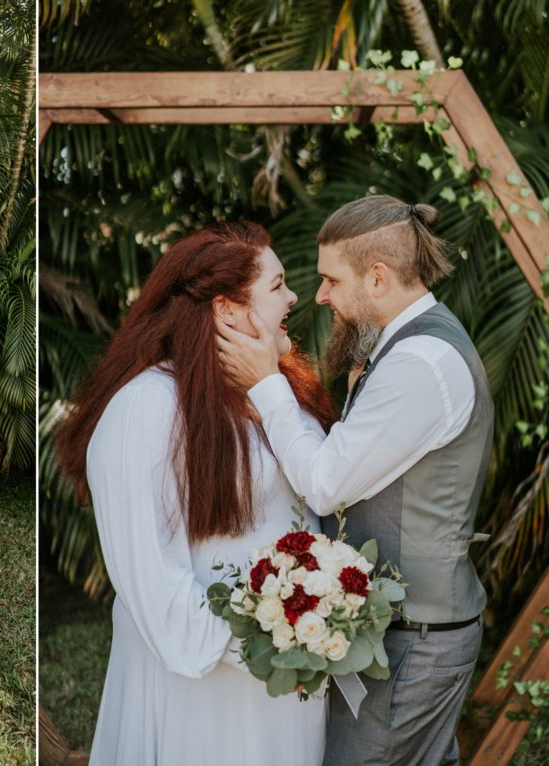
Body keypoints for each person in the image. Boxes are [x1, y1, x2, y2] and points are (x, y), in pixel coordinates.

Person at [217, 195, 493, 766]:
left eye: (329, 281)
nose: (318, 297)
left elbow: (324, 482)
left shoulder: (420, 365)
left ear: (376, 277)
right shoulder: (401, 349)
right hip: (408, 632)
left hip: (416, 641)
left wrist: (267, 382)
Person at [56, 222, 337, 765]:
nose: (294, 297)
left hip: (290, 678)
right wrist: (269, 640)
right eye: (278, 285)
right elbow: (151, 577)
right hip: (203, 692)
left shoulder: (279, 393)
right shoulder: (148, 408)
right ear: (228, 310)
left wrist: (313, 626)